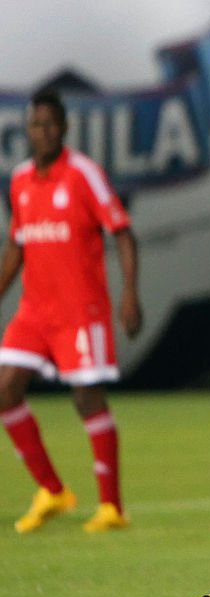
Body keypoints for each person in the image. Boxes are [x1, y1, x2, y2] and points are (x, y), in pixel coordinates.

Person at [1, 89, 142, 534]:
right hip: (34, 311)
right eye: (34, 125)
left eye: (49, 124)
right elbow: (16, 246)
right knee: (4, 389)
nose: (41, 132)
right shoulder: (21, 179)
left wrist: (129, 293)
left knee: (86, 398)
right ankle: (52, 489)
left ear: (63, 128)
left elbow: (121, 231)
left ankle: (112, 507)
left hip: (81, 312)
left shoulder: (83, 174)